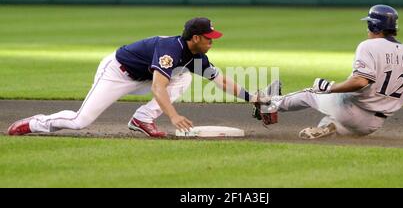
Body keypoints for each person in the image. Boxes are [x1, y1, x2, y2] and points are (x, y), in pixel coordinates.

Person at [7, 17, 261, 137]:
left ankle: (142, 118)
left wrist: (252, 98)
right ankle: (34, 123)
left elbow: (221, 81)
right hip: (117, 73)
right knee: (79, 121)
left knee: (184, 78)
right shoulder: (170, 50)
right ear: (195, 38)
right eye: (209, 38)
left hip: (143, 76)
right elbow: (158, 89)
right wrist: (173, 116)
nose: (211, 42)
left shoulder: (197, 57)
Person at [265, 4, 403, 140]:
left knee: (312, 92)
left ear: (374, 26)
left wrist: (331, 87)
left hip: (350, 109)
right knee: (333, 121)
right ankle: (329, 128)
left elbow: (361, 81)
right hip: (371, 126)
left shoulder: (368, 46)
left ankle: (270, 104)